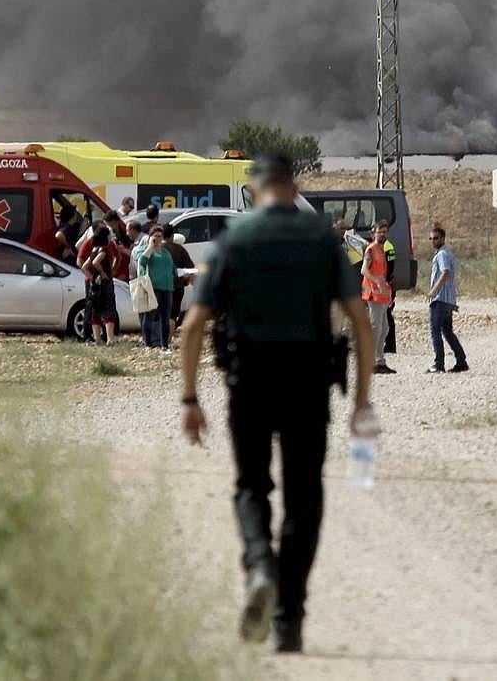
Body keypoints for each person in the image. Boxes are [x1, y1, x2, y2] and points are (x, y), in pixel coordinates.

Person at [178, 153, 376, 654]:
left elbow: (194, 325)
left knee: (251, 487)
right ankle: (289, 621)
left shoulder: (234, 238)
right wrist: (362, 401)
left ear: (253, 190)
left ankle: (260, 569)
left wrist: (190, 399)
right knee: (304, 498)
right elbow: (360, 321)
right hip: (308, 383)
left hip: (249, 382)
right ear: (294, 187)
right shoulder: (321, 239)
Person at [425, 224, 469, 374]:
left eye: (436, 238)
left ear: (443, 238)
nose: (433, 241)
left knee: (435, 331)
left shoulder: (442, 254)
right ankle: (461, 361)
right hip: (447, 300)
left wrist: (433, 291)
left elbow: (445, 273)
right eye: (431, 238)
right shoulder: (446, 253)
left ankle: (439, 364)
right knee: (447, 332)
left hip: (440, 299)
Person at [361, 221, 396, 375]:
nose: (382, 234)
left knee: (384, 328)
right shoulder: (371, 249)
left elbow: (383, 274)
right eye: (380, 231)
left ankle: (379, 361)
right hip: (373, 294)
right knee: (376, 328)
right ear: (373, 233)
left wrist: (387, 292)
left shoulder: (382, 250)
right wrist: (377, 282)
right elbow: (364, 270)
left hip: (381, 295)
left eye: (385, 231)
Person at [138, 226, 176, 349]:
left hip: (167, 288)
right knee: (149, 316)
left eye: (160, 236)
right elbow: (142, 262)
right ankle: (147, 344)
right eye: (156, 236)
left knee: (165, 317)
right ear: (151, 237)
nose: (158, 238)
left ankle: (164, 344)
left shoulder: (166, 252)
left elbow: (172, 268)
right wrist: (150, 246)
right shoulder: (146, 250)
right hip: (154, 288)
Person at [162, 223, 197, 336]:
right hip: (177, 286)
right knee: (172, 315)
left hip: (161, 286)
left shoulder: (158, 249)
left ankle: (159, 338)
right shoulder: (179, 249)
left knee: (162, 313)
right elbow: (190, 269)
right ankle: (168, 340)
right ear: (172, 235)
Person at [86, 226, 119, 344]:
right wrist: (103, 273)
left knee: (95, 310)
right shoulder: (103, 250)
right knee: (109, 309)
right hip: (105, 283)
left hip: (95, 285)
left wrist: (92, 277)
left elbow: (85, 266)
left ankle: (97, 339)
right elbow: (96, 262)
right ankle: (110, 338)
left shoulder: (93, 250)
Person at [55, 201, 85, 267]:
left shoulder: (71, 226)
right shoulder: (66, 227)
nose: (77, 215)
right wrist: (68, 247)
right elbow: (58, 235)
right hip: (67, 261)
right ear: (73, 216)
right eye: (75, 213)